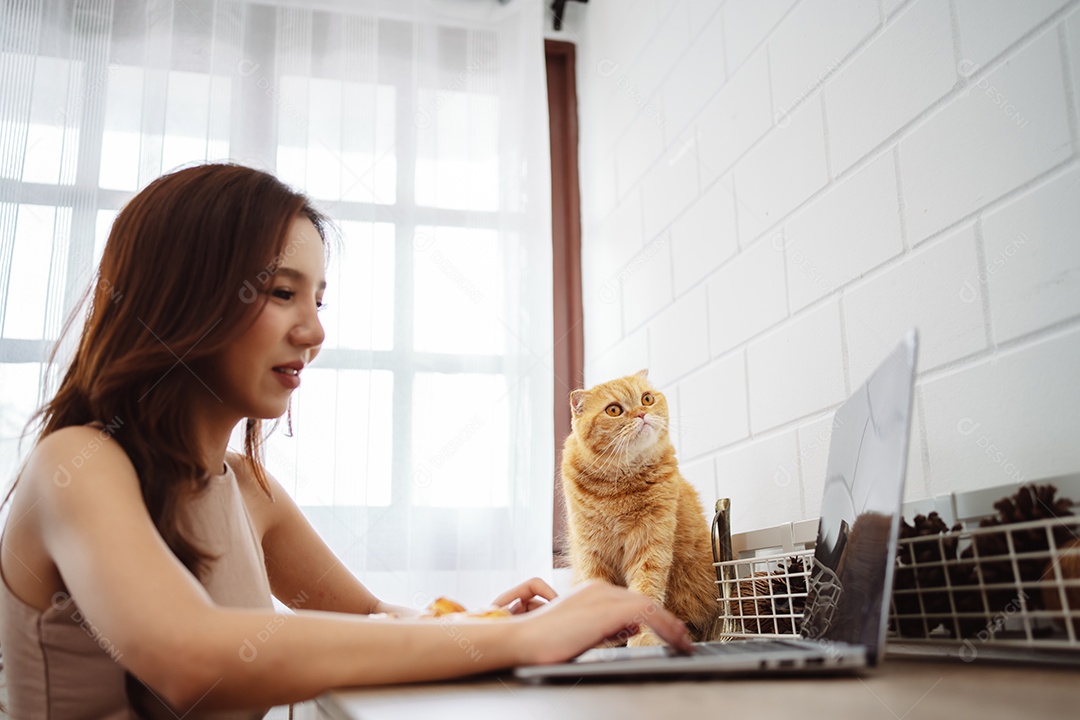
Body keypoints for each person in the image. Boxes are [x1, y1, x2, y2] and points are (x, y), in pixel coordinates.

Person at [0, 163, 692, 718]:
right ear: (182, 296)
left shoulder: (246, 489)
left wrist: (474, 616)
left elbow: (377, 618)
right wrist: (520, 637)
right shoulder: (78, 464)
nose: (315, 332)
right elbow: (193, 660)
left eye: (319, 300)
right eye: (279, 292)